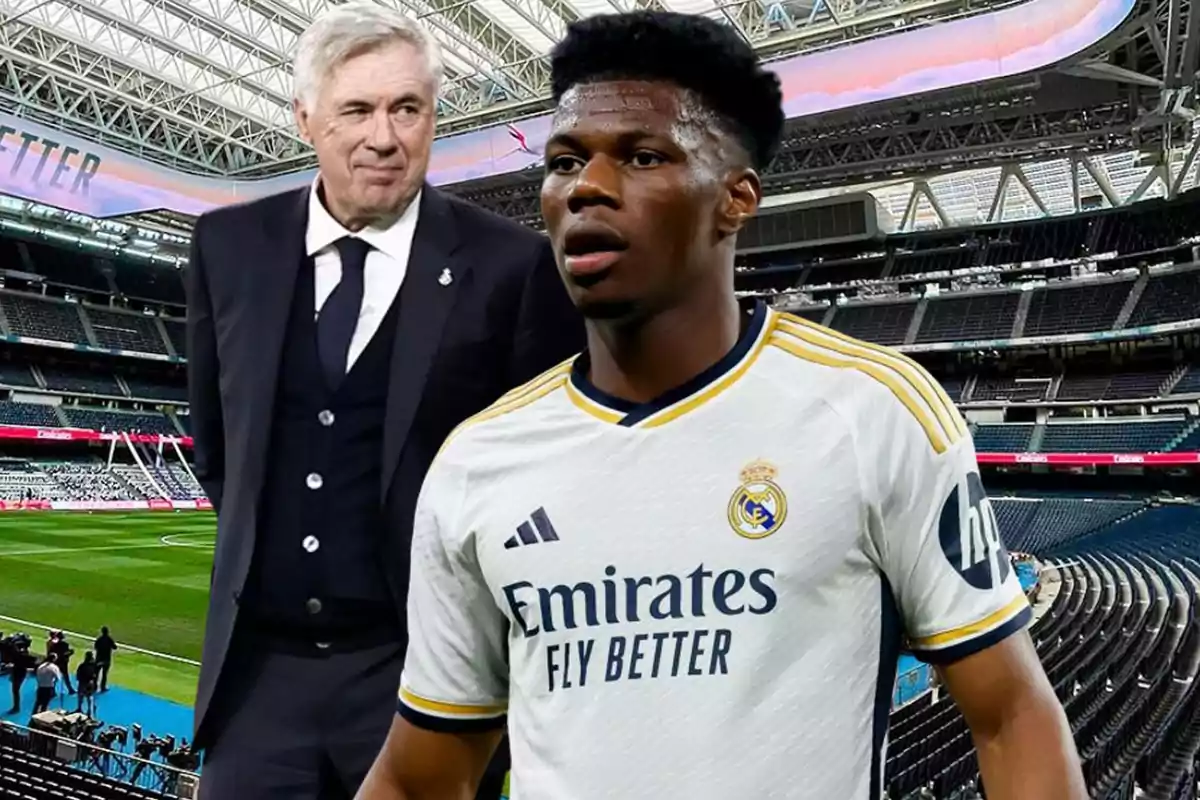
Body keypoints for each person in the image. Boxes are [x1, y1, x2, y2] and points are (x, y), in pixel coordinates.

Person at [358, 11, 1087, 800]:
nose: (586, 189)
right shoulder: (477, 461)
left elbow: (1010, 715)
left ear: (736, 199)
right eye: (565, 161)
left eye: (641, 156)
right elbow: (420, 774)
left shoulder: (873, 410)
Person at [187, 2, 583, 797]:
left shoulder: (513, 268)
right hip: (260, 680)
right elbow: (217, 445)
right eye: (357, 110)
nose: (384, 136)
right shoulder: (228, 248)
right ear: (306, 119)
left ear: (434, 117)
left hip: (426, 677)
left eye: (408, 109)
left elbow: (546, 478)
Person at [6, 641, 34, 716]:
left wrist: (12, 666)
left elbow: (17, 664)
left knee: (15, 691)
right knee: (15, 691)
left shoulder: (20, 655)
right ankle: (16, 706)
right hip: (20, 673)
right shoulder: (24, 654)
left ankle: (16, 707)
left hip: (18, 674)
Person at [94, 626, 117, 692]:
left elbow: (95, 647)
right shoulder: (109, 639)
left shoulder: (99, 639)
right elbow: (115, 647)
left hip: (99, 659)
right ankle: (102, 687)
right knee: (104, 674)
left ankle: (94, 687)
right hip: (106, 659)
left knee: (96, 673)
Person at [76, 652, 98, 716]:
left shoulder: (83, 665)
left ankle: (80, 708)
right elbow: (95, 675)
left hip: (83, 682)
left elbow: (78, 673)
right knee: (89, 696)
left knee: (81, 695)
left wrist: (78, 679)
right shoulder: (94, 665)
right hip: (90, 682)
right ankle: (89, 710)